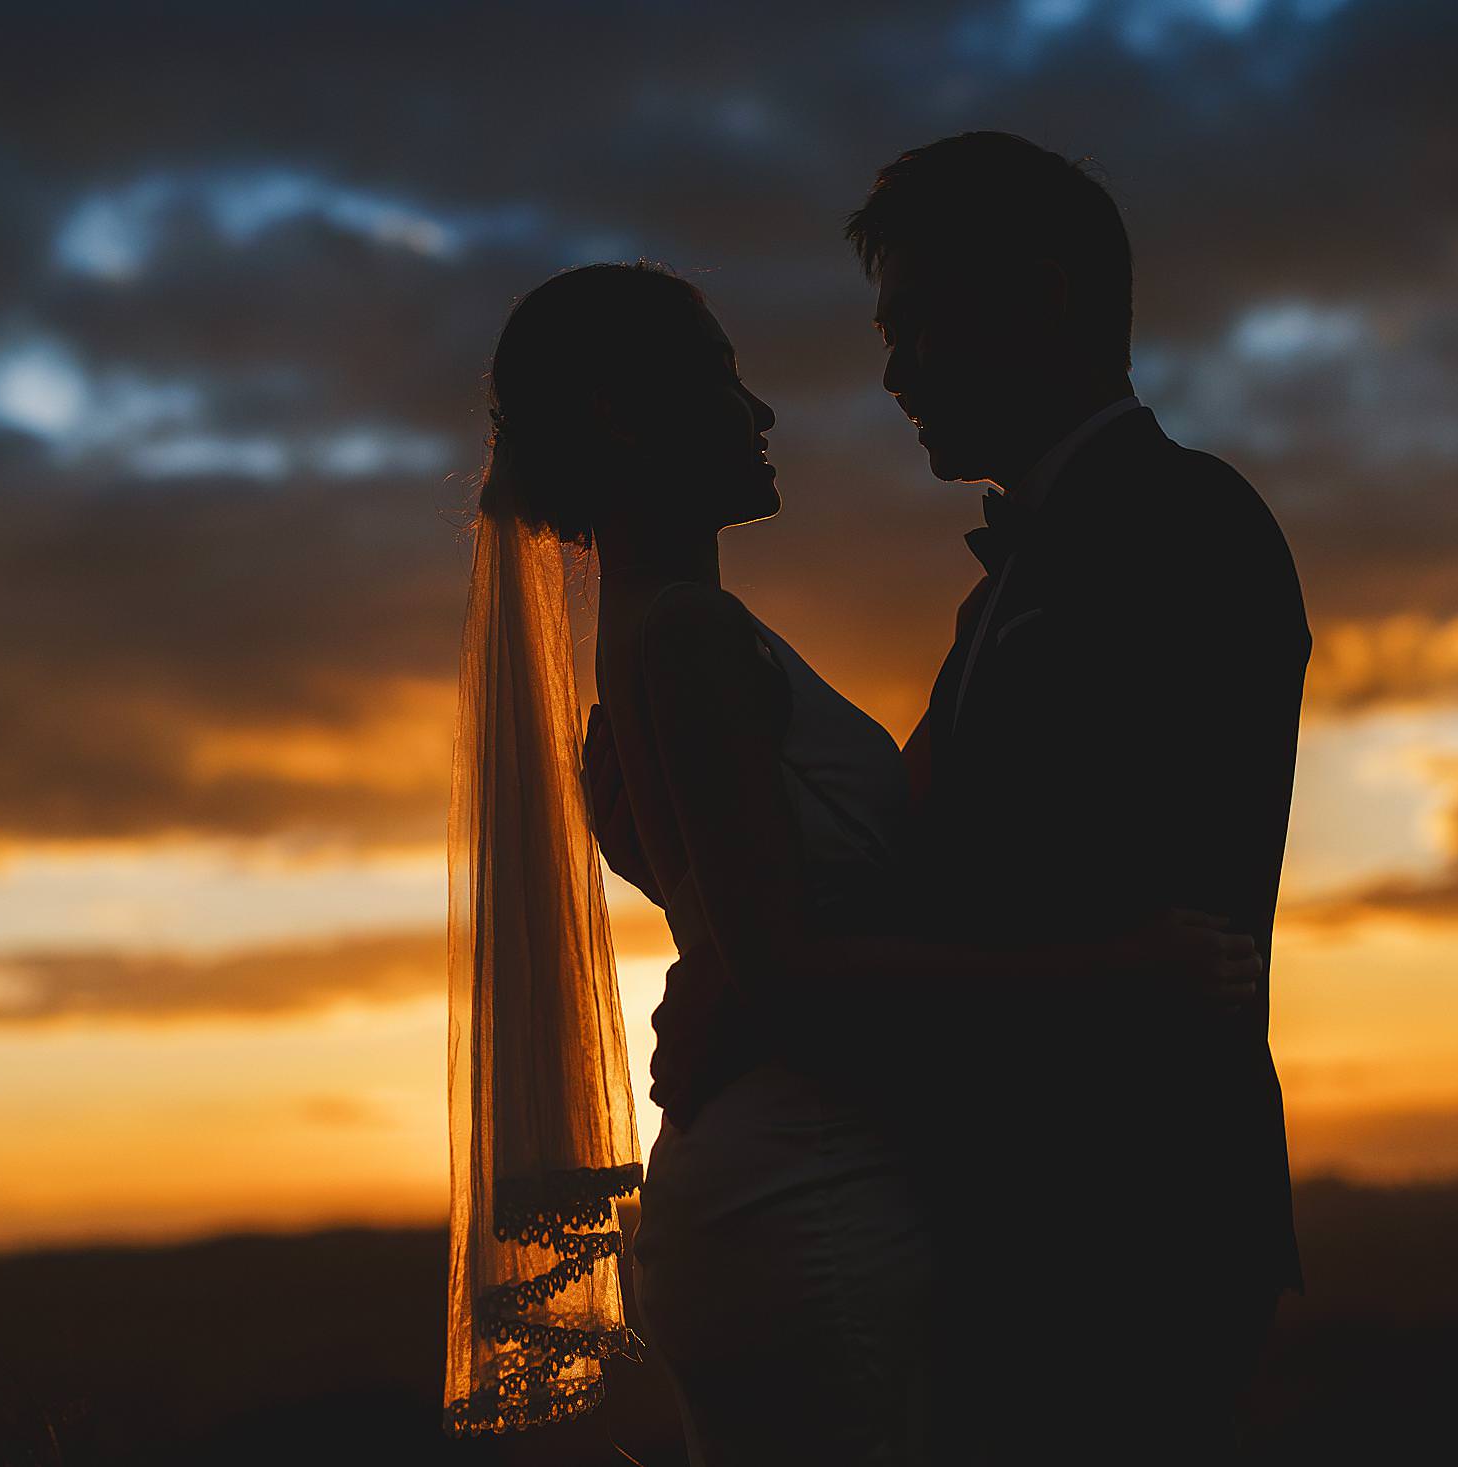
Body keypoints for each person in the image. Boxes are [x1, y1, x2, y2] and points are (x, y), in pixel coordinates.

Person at [449, 259, 1266, 1464]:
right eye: (723, 380)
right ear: (627, 415)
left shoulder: (645, 658)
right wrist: (1118, 964)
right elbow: (788, 968)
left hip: (769, 1172)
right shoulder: (688, 635)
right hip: (805, 1188)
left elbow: (762, 918)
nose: (762, 415)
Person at [638, 133, 1313, 1458]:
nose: (891, 374)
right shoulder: (1010, 579)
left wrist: (780, 981)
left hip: (1129, 1214)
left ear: (1044, 297)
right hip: (1016, 1214)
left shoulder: (1186, 528)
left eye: (918, 325)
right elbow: (926, 853)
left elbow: (1047, 885)